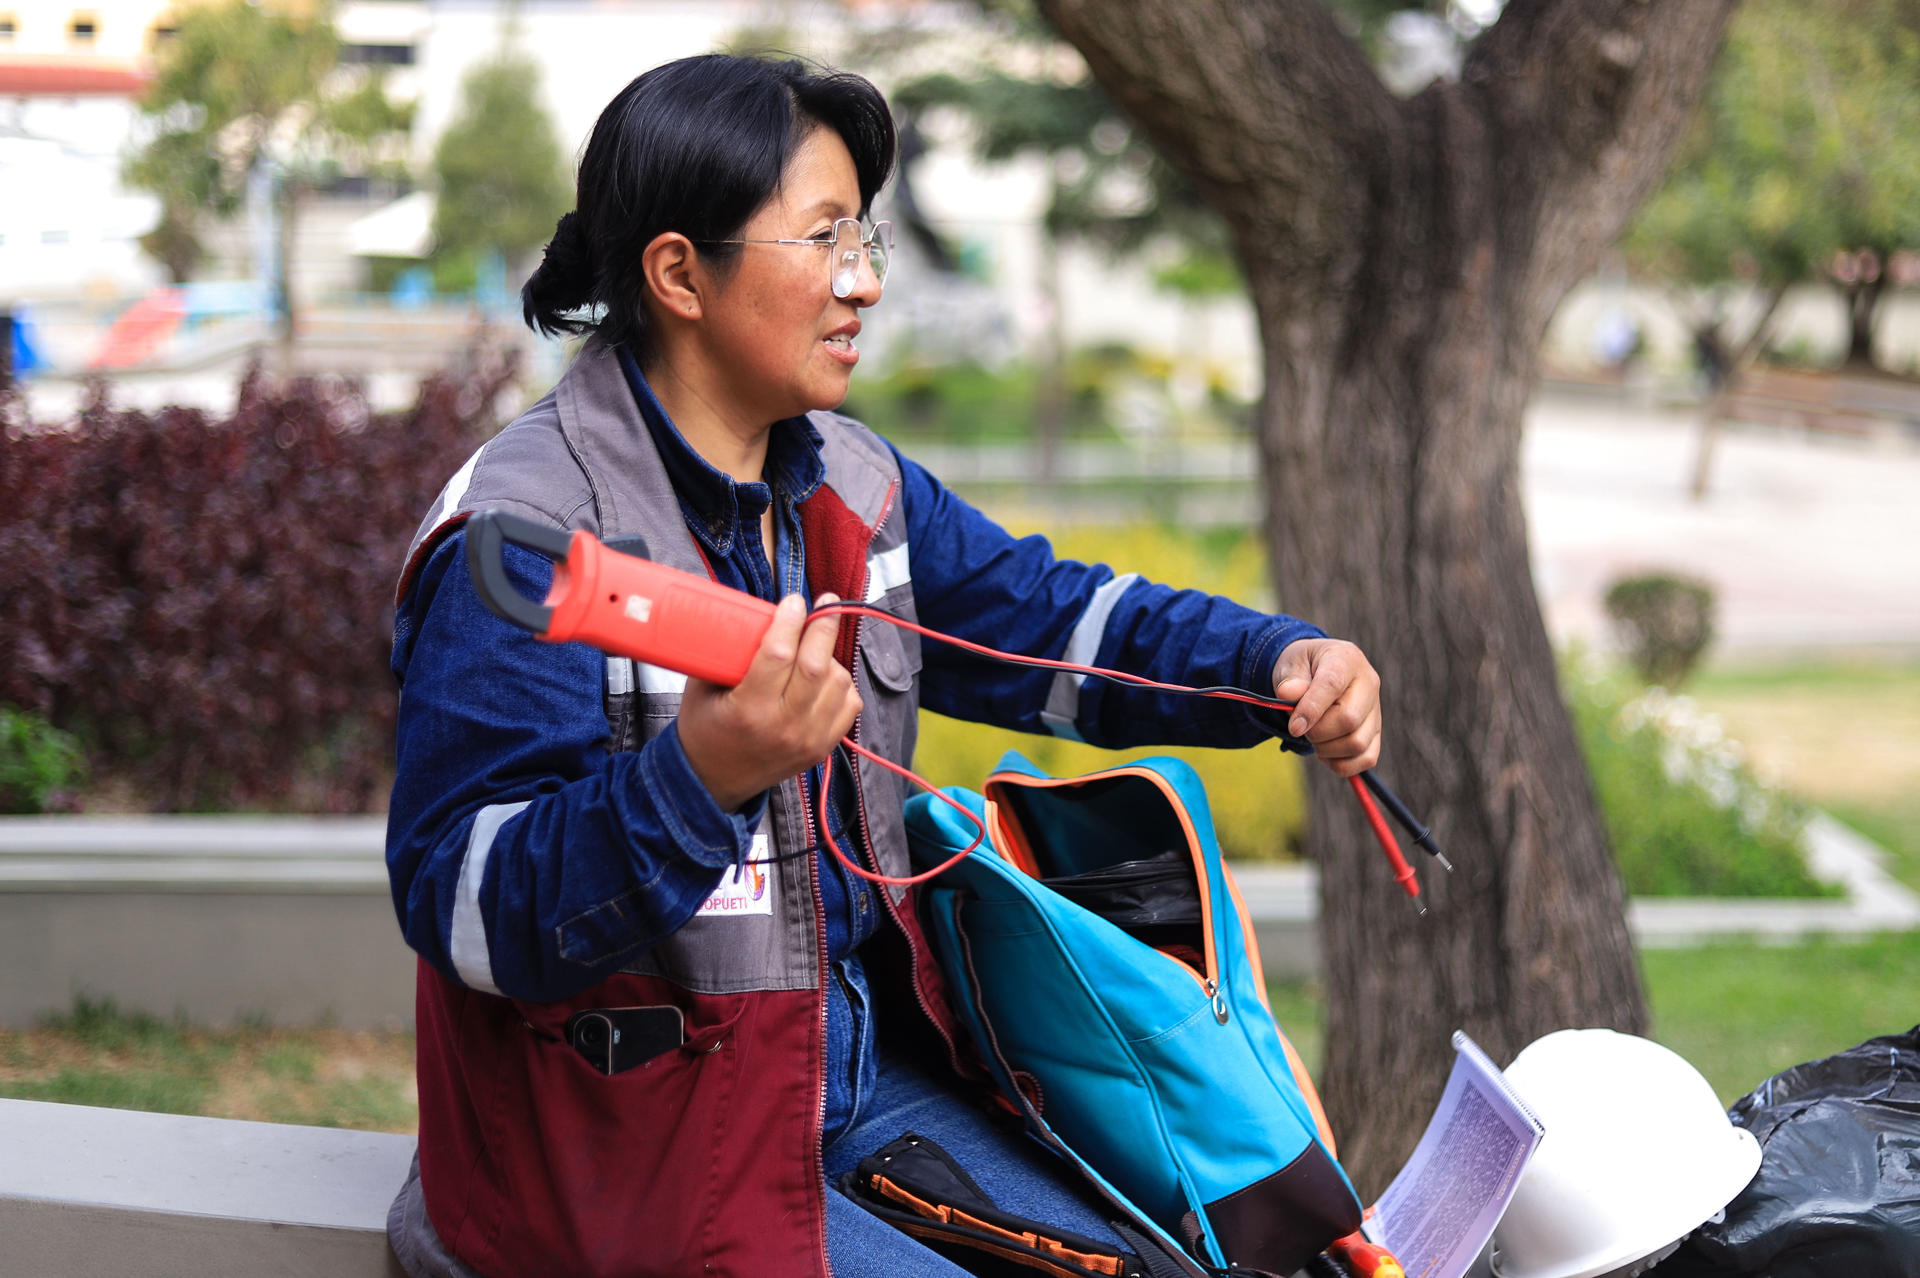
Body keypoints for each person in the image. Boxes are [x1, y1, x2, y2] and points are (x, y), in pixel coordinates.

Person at [383, 53, 1382, 1278]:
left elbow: (1049, 622)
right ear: (679, 273)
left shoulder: (853, 487)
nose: (861, 283)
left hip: (845, 1085)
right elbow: (468, 911)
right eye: (822, 240)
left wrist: (1278, 665)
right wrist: (700, 778)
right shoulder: (527, 539)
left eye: (866, 239)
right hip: (623, 1157)